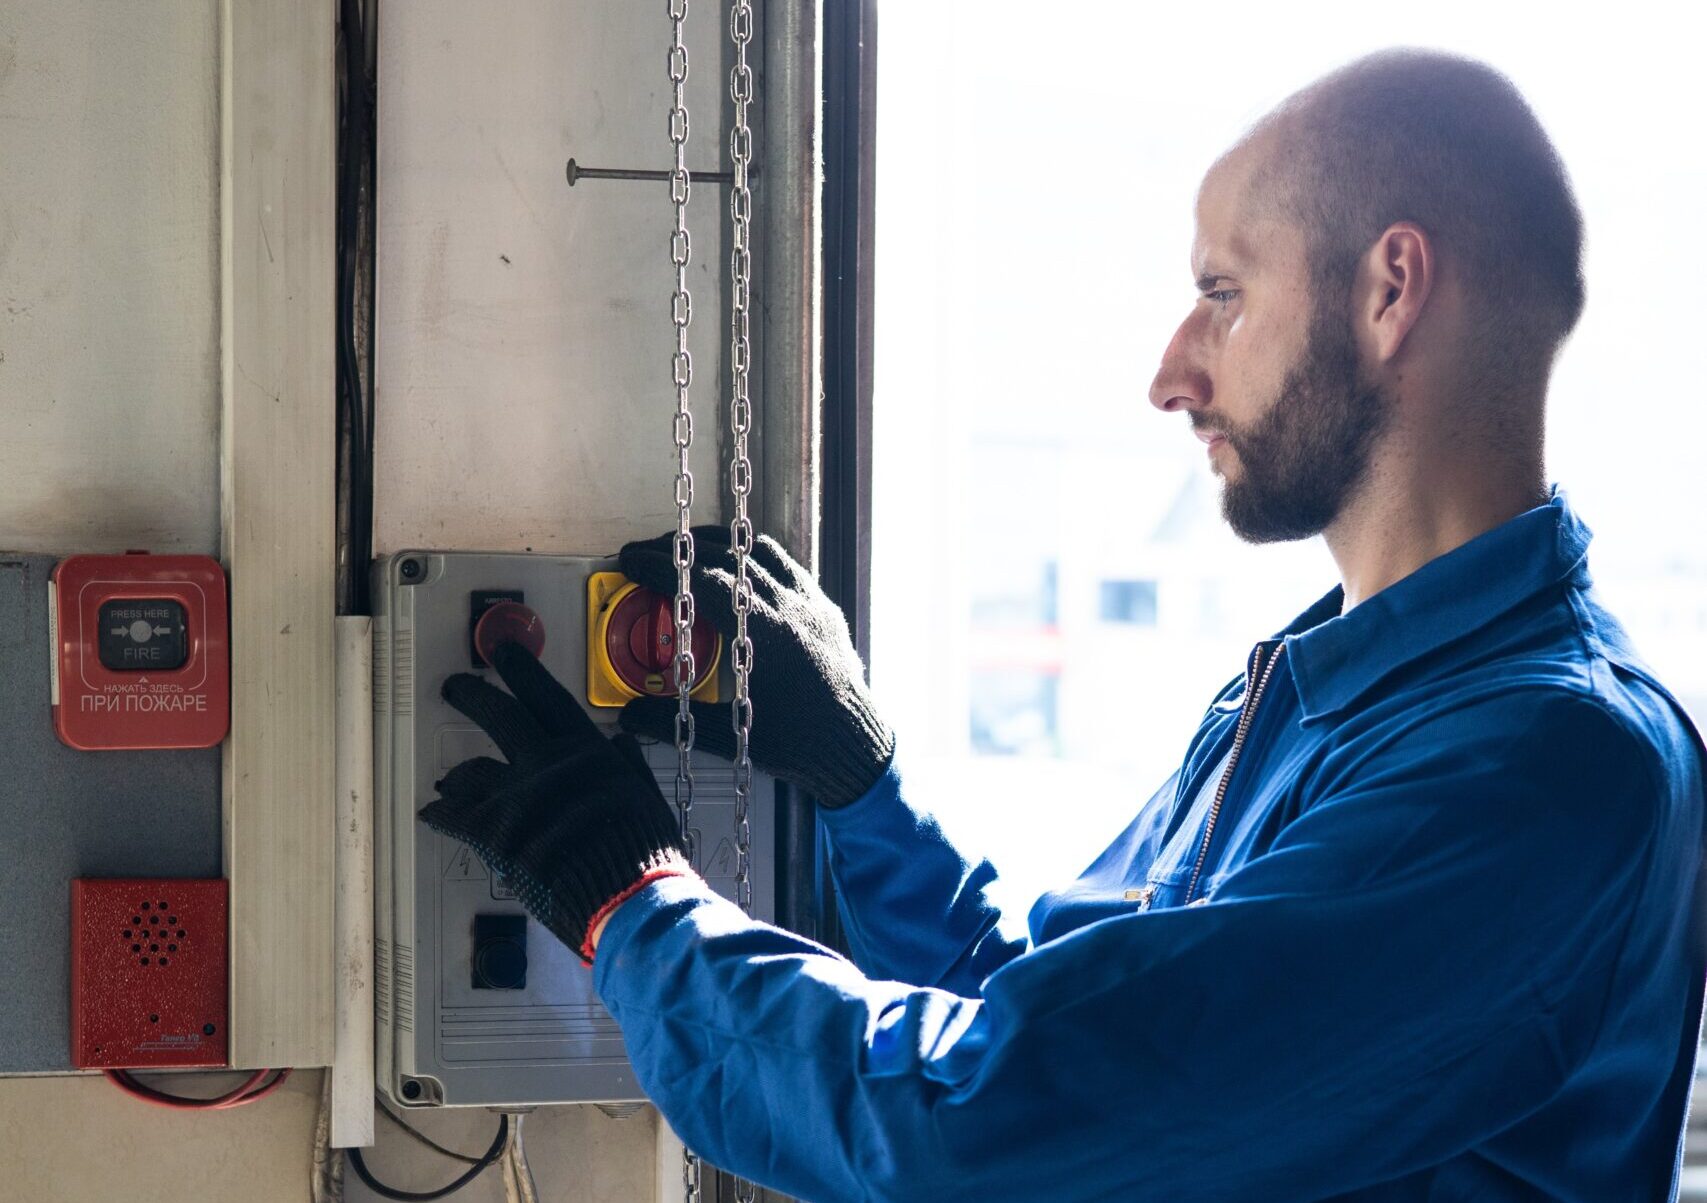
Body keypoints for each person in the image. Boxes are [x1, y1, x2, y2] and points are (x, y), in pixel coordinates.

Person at [422, 48, 1707, 1200]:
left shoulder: (1544, 769)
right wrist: (861, 784)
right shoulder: (1331, 698)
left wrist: (638, 908)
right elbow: (1048, 1015)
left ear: (1390, 289)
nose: (1172, 373)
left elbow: (993, 1124)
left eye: (1224, 294)